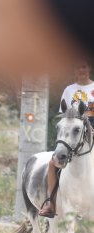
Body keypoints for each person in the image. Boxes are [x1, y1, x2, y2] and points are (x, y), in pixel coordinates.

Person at [39, 58, 94, 217]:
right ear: (75, 70)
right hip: (73, 139)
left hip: (91, 138)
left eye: (84, 66)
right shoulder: (69, 90)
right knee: (52, 164)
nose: (81, 70)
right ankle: (51, 204)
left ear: (89, 68)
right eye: (78, 67)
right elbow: (63, 116)